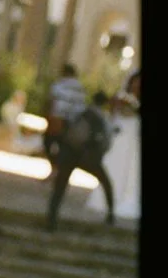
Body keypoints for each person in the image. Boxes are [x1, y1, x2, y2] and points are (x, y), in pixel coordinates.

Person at [43, 69, 119, 232]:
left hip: (70, 153)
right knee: (105, 182)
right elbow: (105, 139)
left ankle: (51, 218)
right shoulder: (102, 118)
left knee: (60, 186)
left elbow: (65, 129)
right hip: (88, 156)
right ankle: (111, 214)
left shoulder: (81, 111)